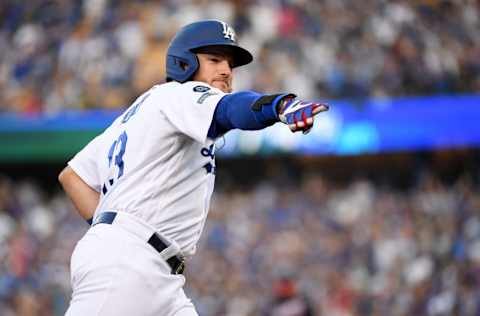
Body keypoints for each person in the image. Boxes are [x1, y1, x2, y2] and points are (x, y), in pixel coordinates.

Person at [58, 19, 329, 316]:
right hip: (127, 262)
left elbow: (73, 177)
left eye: (230, 64)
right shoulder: (178, 94)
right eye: (214, 59)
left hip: (152, 269)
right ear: (184, 63)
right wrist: (279, 106)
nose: (226, 70)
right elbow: (231, 109)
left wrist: (110, 230)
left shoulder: (145, 109)